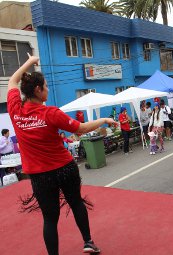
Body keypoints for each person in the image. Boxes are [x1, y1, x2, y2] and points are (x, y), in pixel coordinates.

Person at [7, 54, 116, 254]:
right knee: (76, 202)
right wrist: (104, 120)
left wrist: (31, 62)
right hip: (64, 169)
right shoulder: (50, 113)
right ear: (38, 90)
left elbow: (13, 80)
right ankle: (88, 242)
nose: (48, 89)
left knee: (49, 218)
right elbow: (81, 129)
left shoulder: (15, 110)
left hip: (39, 175)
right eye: (46, 86)